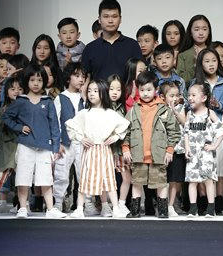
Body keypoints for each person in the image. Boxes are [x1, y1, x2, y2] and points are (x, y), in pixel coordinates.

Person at [2, 63, 65, 219]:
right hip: (25, 145)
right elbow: (6, 117)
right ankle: (23, 208)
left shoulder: (48, 101)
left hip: (45, 147)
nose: (36, 83)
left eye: (39, 80)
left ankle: (50, 209)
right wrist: (19, 127)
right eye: (32, 80)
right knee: (23, 177)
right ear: (26, 81)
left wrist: (55, 147)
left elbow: (54, 126)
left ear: (44, 81)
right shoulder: (21, 101)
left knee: (46, 179)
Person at [67, 80, 130, 219]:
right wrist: (81, 138)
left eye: (95, 91)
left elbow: (124, 125)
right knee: (85, 178)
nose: (91, 94)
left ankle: (116, 209)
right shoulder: (84, 113)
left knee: (108, 179)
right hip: (89, 151)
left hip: (104, 150)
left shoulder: (110, 113)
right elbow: (71, 126)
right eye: (89, 91)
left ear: (103, 92)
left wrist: (115, 137)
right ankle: (79, 209)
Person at [122, 71, 180, 218]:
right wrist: (126, 148)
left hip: (158, 155)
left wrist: (169, 150)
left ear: (156, 89)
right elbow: (125, 131)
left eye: (149, 89)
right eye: (142, 90)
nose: (145, 93)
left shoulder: (164, 110)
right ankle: (135, 211)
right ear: (138, 90)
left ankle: (163, 211)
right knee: (137, 182)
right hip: (138, 155)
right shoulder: (133, 110)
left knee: (161, 183)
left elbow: (174, 132)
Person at [193, 48, 223, 214]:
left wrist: (219, 105)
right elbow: (190, 104)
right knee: (201, 166)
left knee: (221, 166)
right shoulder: (195, 83)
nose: (211, 64)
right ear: (201, 64)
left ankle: (219, 200)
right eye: (207, 61)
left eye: (214, 61)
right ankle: (203, 200)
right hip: (200, 130)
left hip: (219, 130)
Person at [184, 82, 223, 218]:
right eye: (189, 95)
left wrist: (214, 145)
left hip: (206, 154)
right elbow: (186, 133)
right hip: (193, 154)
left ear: (203, 98)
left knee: (208, 180)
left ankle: (211, 208)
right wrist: (187, 148)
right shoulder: (189, 114)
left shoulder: (210, 113)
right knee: (192, 181)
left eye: (193, 95)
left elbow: (222, 130)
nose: (190, 98)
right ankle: (193, 209)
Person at [52, 62, 86, 213]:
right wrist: (58, 142)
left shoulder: (85, 98)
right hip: (65, 143)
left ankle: (86, 204)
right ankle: (58, 202)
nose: (81, 79)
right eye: (77, 76)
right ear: (68, 78)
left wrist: (85, 98)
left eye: (83, 76)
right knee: (61, 174)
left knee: (83, 174)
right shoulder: (60, 98)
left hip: (82, 143)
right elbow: (55, 121)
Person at [82, 0, 142, 81]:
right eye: (106, 16)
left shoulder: (132, 45)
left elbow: (140, 75)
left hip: (126, 90)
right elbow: (85, 77)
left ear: (120, 19)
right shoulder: (90, 48)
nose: (110, 21)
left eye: (114, 16)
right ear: (99, 19)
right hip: (98, 90)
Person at [0, 74, 22, 214]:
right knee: (1, 175)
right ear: (7, 91)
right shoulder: (2, 110)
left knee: (21, 177)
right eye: (13, 89)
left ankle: (21, 204)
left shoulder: (26, 108)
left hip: (21, 146)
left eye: (20, 88)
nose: (16, 91)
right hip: (6, 148)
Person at [160, 81, 187, 217]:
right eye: (171, 96)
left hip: (178, 149)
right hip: (163, 150)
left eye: (177, 95)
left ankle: (171, 205)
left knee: (174, 179)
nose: (175, 98)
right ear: (162, 97)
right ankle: (161, 204)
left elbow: (185, 122)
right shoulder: (160, 109)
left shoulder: (181, 108)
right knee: (162, 179)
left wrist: (174, 111)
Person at [108, 74, 132, 216]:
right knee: (107, 179)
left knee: (127, 178)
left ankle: (121, 204)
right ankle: (107, 205)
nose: (115, 92)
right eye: (111, 89)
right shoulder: (103, 108)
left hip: (120, 149)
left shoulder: (123, 108)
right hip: (106, 150)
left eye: (118, 89)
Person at [176, 15, 212, 85]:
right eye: (196, 29)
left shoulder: (215, 51)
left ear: (209, 31)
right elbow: (181, 81)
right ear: (190, 32)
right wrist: (196, 65)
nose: (201, 33)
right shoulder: (183, 55)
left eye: (204, 29)